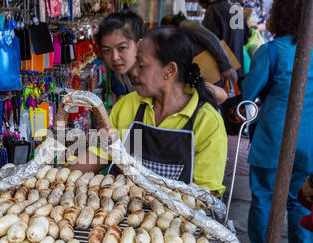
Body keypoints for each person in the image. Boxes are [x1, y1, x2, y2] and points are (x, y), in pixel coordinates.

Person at [69, 26, 228, 196]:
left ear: (170, 70)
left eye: (142, 66)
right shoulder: (128, 105)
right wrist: (58, 177)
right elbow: (99, 153)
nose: (134, 72)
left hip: (175, 217)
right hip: (117, 210)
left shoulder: (207, 122)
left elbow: (205, 193)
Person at [241, 0, 313, 243]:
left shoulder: (271, 51)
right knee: (302, 200)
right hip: (309, 141)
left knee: (264, 198)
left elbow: (248, 95)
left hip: (274, 137)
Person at [96, 10, 228, 104]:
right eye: (106, 50)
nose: (114, 58)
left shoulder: (160, 70)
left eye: (122, 48)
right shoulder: (122, 74)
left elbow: (221, 96)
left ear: (139, 44)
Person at [161, 12, 235, 85]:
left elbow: (212, 40)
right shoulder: (183, 29)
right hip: (210, 73)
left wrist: (226, 67)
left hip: (218, 72)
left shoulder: (187, 26)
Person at [198, 0, 251, 79]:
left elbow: (209, 42)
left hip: (223, 71)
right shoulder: (235, 8)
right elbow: (246, 37)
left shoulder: (213, 9)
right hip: (238, 69)